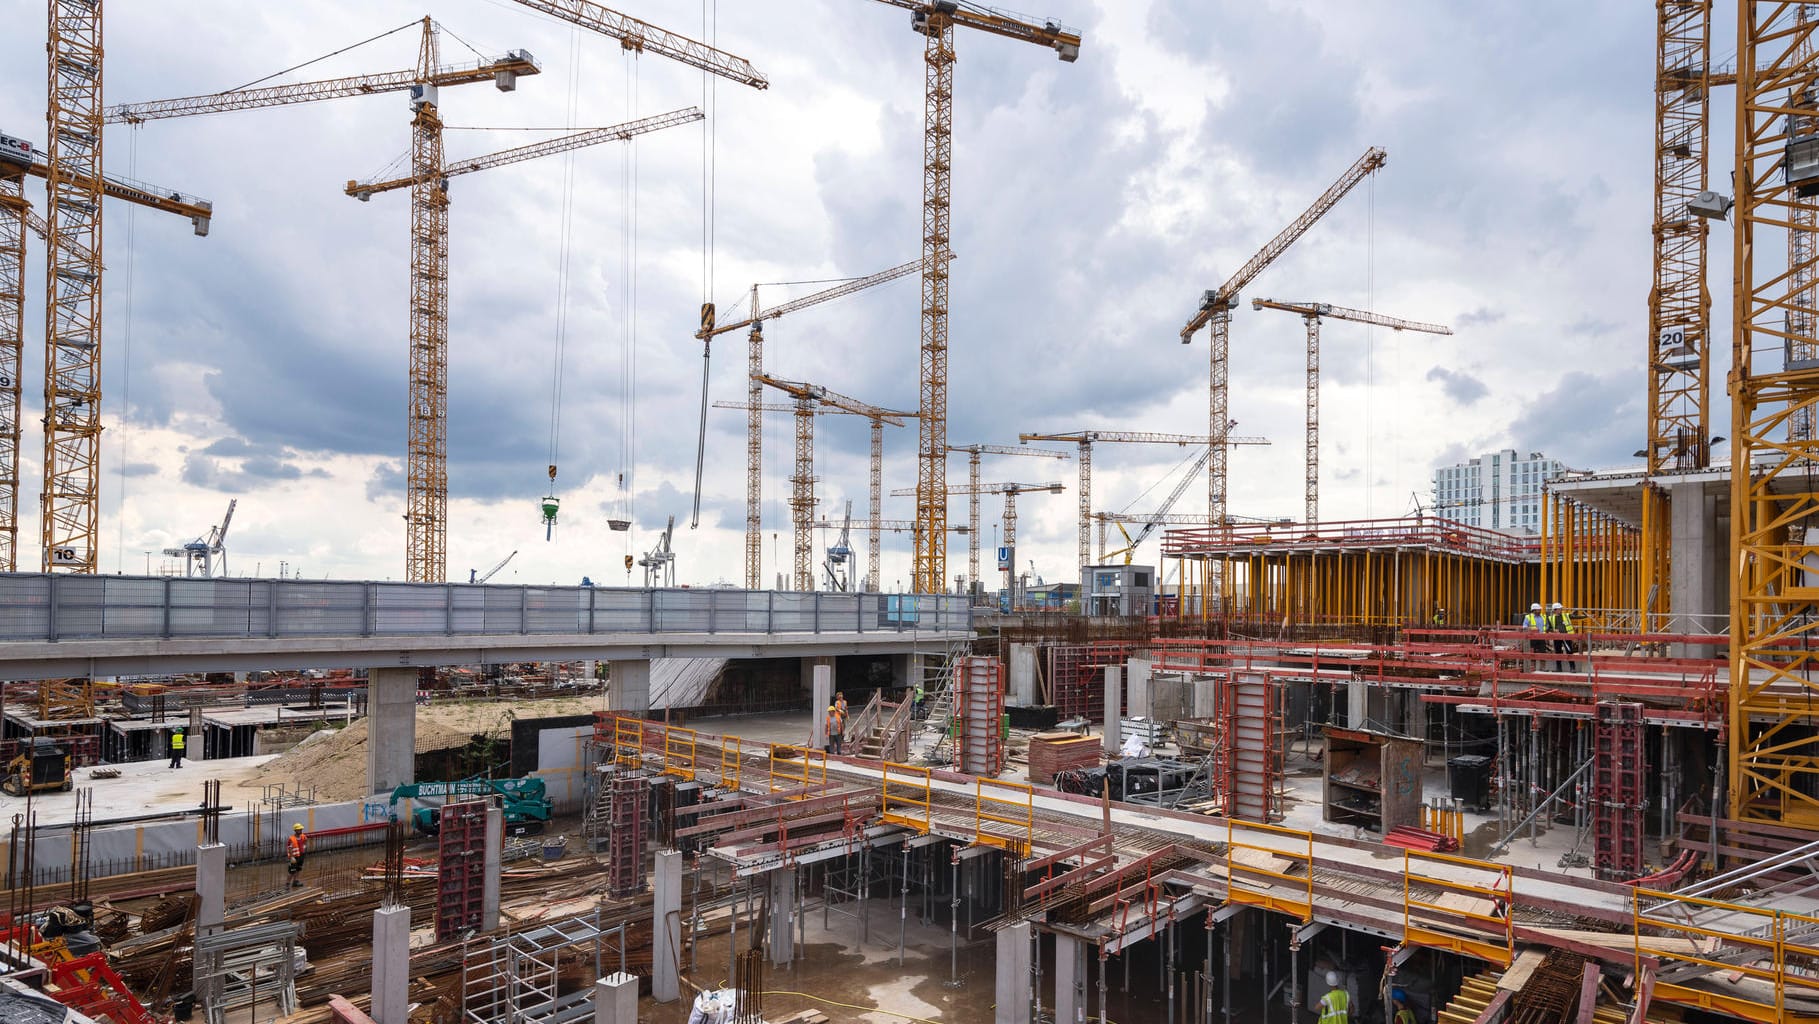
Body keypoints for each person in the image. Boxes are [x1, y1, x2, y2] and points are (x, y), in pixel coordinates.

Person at [1548, 601, 1577, 672]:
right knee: (1558, 652)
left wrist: (1586, 616)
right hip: (1557, 637)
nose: (1561, 610)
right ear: (1555, 610)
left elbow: (1576, 617)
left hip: (1567, 637)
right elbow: (1548, 628)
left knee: (1569, 651)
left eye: (1561, 609)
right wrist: (1554, 630)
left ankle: (1572, 668)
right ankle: (1559, 668)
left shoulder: (1566, 615)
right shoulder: (1550, 618)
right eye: (1560, 609)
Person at [1522, 602, 1549, 670]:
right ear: (1534, 610)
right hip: (1532, 638)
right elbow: (1524, 626)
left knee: (1543, 652)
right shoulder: (1528, 617)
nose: (1540, 610)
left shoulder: (1543, 616)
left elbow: (1547, 626)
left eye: (1540, 609)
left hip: (1541, 637)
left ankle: (1543, 668)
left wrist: (1546, 633)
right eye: (1538, 609)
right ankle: (1532, 667)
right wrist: (1531, 630)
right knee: (1532, 652)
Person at [286, 823, 308, 888]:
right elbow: (289, 848)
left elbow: (306, 840)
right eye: (299, 830)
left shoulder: (303, 836)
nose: (301, 831)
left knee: (298, 869)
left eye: (301, 829)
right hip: (294, 857)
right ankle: (287, 884)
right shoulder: (291, 839)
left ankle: (295, 882)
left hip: (301, 856)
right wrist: (292, 857)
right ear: (295, 830)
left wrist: (304, 846)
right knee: (292, 871)